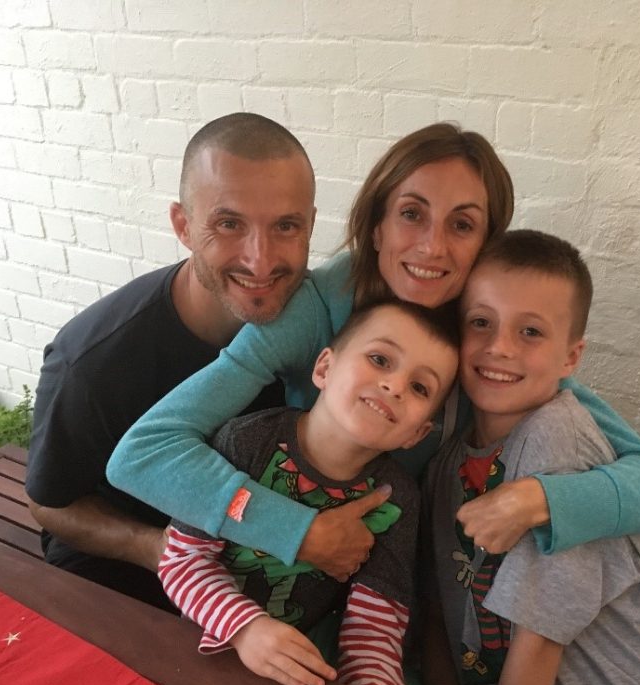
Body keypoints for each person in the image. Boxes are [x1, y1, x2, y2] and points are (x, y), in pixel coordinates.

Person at [107, 122, 640, 592]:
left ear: (487, 244)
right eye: (412, 214)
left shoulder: (488, 336)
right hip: (284, 578)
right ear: (377, 223)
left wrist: (540, 499)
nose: (432, 246)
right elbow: (143, 453)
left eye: (462, 225)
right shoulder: (315, 309)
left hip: (408, 590)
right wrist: (294, 529)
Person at [26, 113, 377, 609]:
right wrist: (159, 551)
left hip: (270, 574)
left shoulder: (325, 325)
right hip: (129, 585)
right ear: (183, 225)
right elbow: (50, 503)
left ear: (311, 225)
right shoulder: (93, 360)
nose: (260, 260)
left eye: (285, 226)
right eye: (229, 224)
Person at [423, 230, 640, 685]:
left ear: (572, 357)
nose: (499, 347)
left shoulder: (556, 437)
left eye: (530, 332)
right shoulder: (453, 457)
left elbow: (540, 640)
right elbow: (434, 611)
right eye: (481, 322)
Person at [160, 300, 459, 685]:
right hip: (205, 639)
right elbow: (181, 561)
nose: (395, 386)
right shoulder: (245, 442)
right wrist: (246, 629)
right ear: (324, 368)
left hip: (303, 661)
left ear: (418, 433)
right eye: (379, 359)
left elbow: (373, 630)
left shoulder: (399, 499)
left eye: (420, 387)